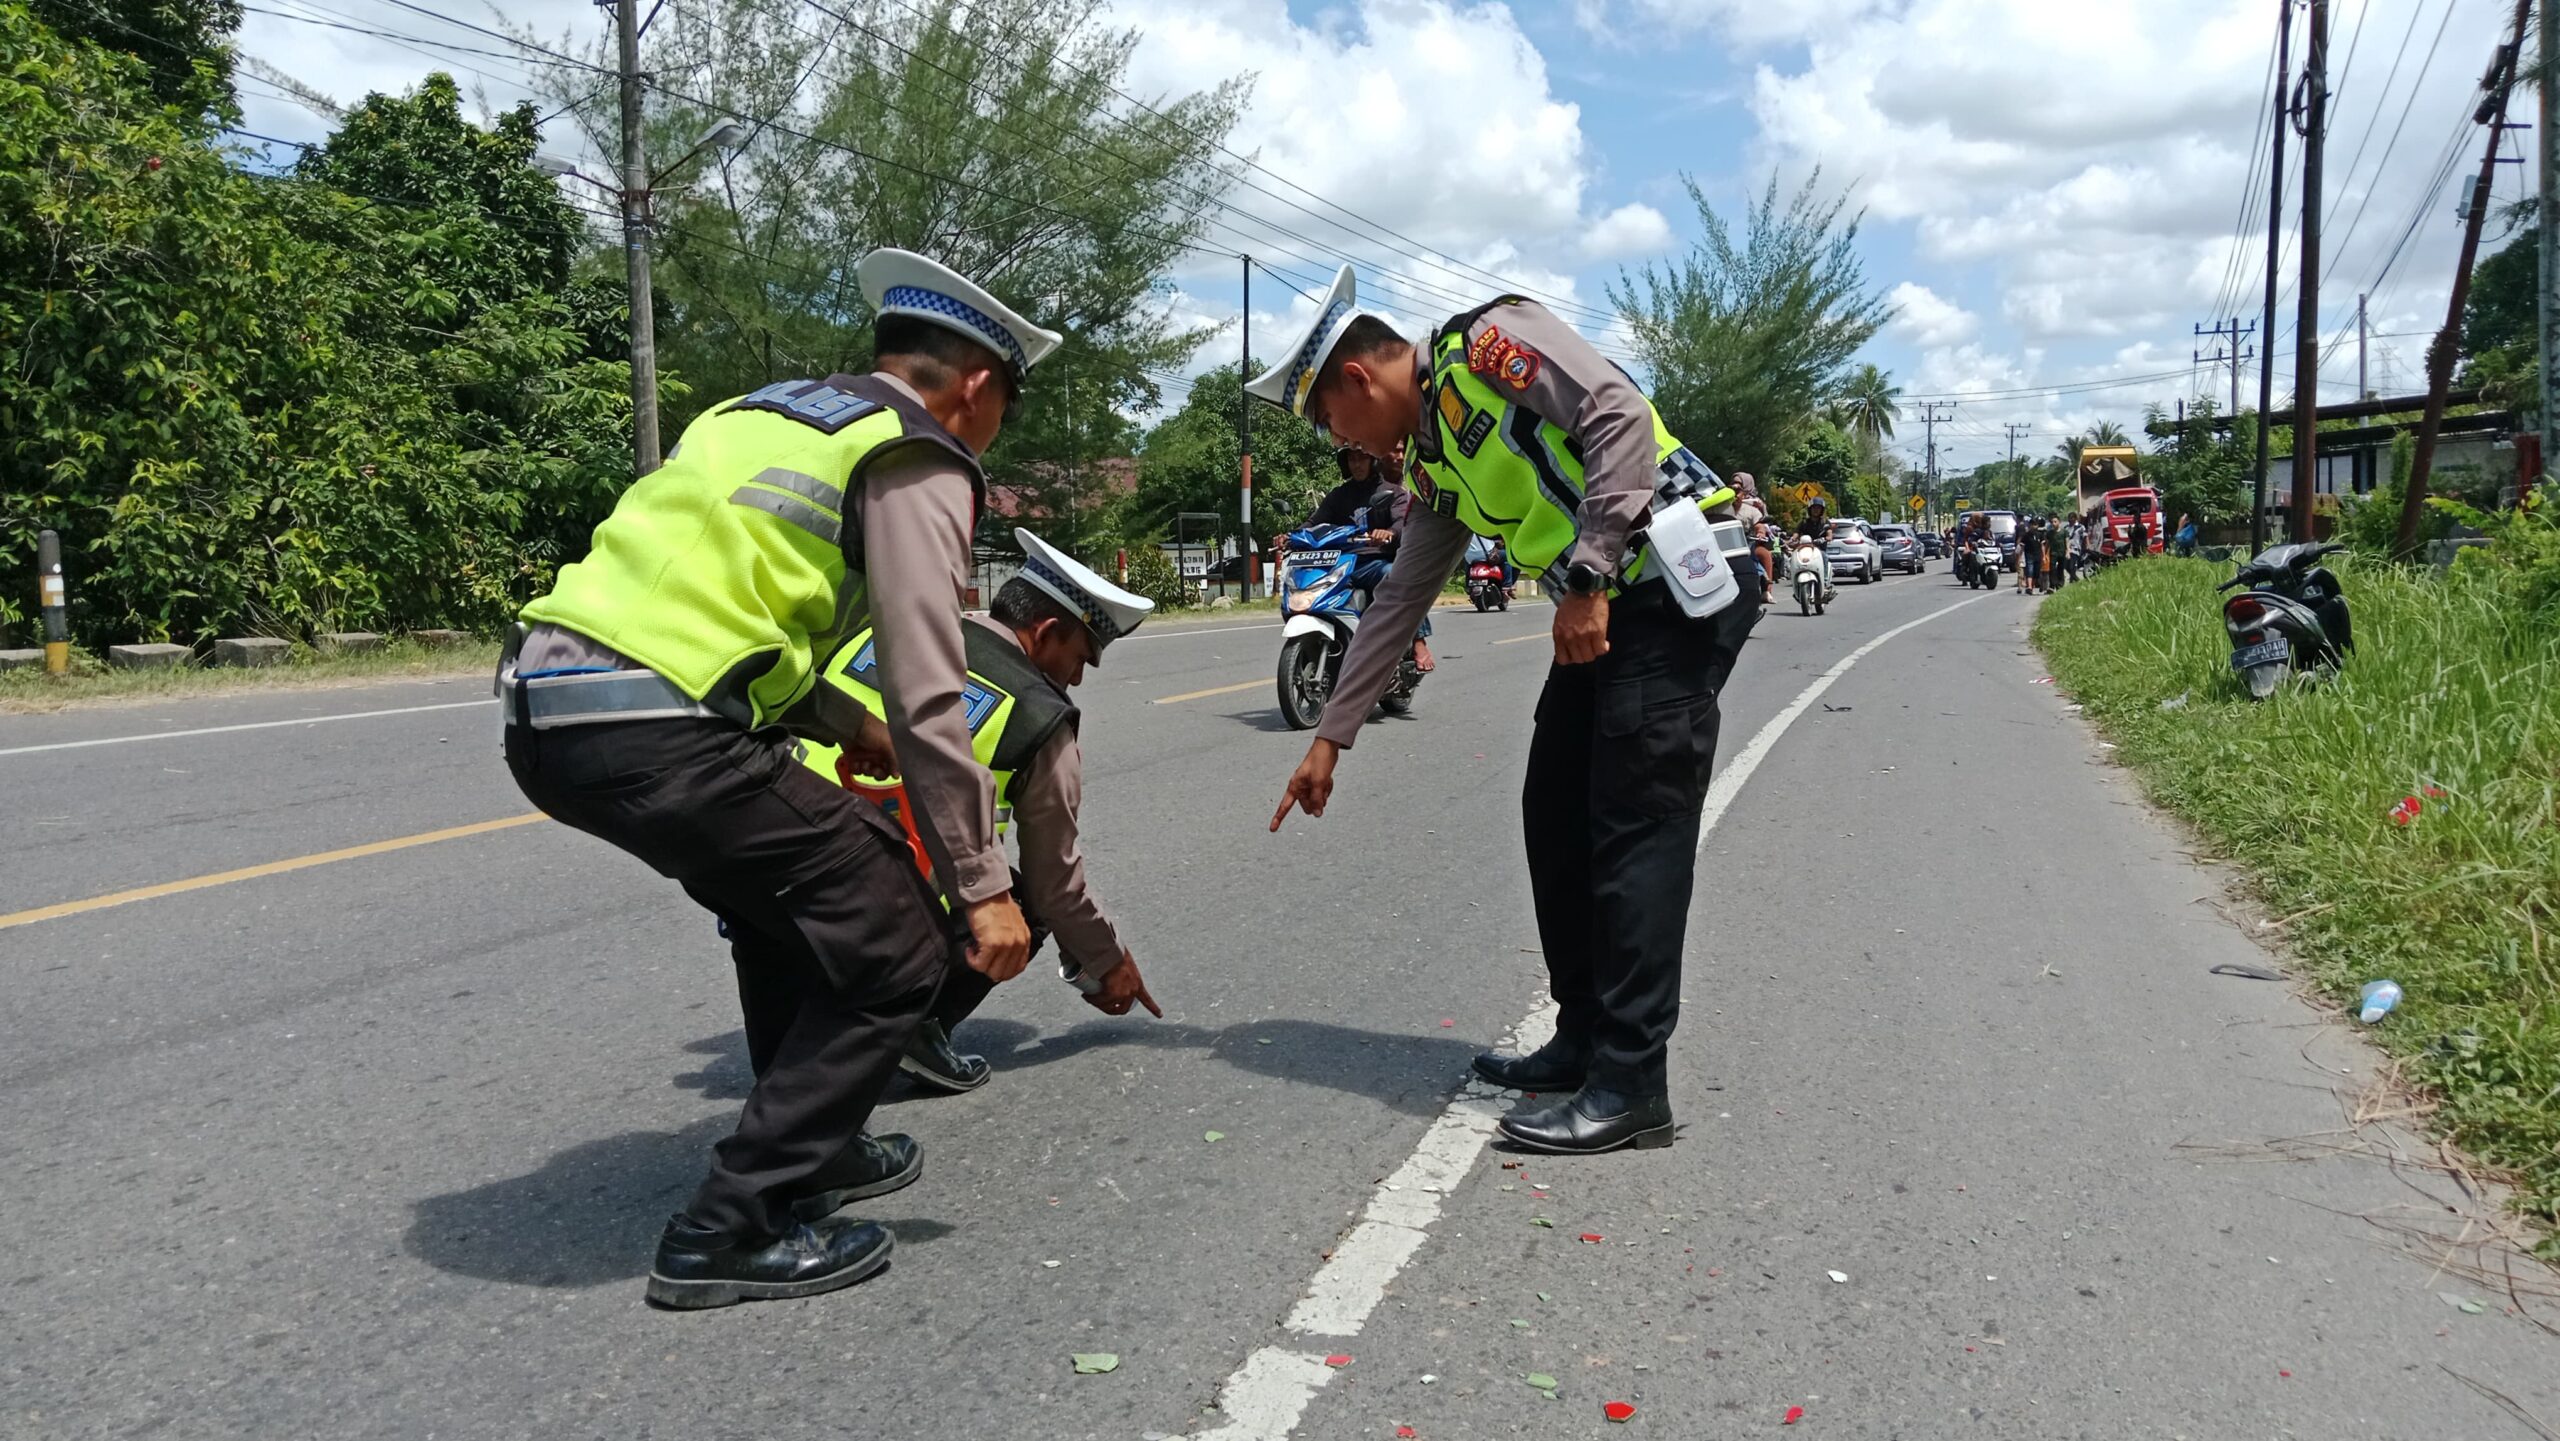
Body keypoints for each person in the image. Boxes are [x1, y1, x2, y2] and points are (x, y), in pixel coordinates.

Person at [500, 249, 1059, 1309]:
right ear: (977, 384)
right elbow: (930, 683)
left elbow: (718, 610)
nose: (991, 433)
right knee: (900, 936)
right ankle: (730, 1225)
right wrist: (982, 885)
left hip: (550, 709)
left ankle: (818, 1145)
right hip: (664, 727)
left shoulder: (751, 414)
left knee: (787, 906)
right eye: (1005, 409)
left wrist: (849, 724)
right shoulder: (919, 451)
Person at [1254, 265, 1760, 1155]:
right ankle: (1583, 1037)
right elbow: (1403, 591)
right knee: (1554, 811)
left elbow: (1616, 414)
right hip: (1612, 607)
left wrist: (1593, 571)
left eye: (1331, 420)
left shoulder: (1488, 347)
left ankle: (1632, 1082)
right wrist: (1331, 735)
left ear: (1358, 380)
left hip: (1669, 586)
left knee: (1635, 827)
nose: (1342, 440)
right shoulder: (1434, 457)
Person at [799, 530, 1164, 1093]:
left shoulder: (886, 630)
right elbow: (1055, 887)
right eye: (1081, 656)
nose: (1078, 676)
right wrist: (1108, 960)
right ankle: (912, 1029)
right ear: (1044, 633)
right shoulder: (1041, 718)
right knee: (1019, 904)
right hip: (871, 902)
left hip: (774, 860)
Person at [1285, 446, 1434, 671]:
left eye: (1361, 458)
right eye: (1352, 459)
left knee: (1394, 576)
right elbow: (1314, 522)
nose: (1356, 464)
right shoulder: (1339, 495)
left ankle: (1418, 641)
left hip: (1373, 562)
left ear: (1374, 461)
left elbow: (1401, 523)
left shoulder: (1392, 492)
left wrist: (1389, 533)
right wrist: (1290, 537)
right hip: (1341, 563)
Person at [2018, 515, 2043, 594]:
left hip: (2038, 555)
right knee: (2030, 570)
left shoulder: (2040, 535)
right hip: (2029, 555)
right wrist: (2020, 556)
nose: (2033, 526)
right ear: (2029, 525)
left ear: (2037, 526)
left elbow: (2043, 546)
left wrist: (2044, 556)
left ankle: (2031, 586)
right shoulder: (2026, 535)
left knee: (2036, 572)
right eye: (2031, 524)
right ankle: (2029, 586)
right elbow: (2022, 546)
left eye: (2035, 524)